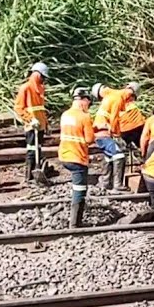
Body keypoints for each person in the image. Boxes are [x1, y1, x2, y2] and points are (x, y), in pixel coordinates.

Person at [91, 82, 145, 191]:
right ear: (132, 94)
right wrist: (116, 135)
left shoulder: (111, 96)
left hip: (101, 132)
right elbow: (114, 118)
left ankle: (105, 183)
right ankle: (118, 185)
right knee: (119, 156)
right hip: (104, 132)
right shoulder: (118, 97)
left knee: (109, 156)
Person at [58, 87, 96, 228]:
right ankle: (75, 223)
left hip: (64, 155)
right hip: (77, 158)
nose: (88, 105)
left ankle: (75, 221)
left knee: (76, 187)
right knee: (79, 190)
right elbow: (89, 139)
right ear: (83, 100)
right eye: (88, 102)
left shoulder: (65, 115)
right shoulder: (84, 117)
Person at [13, 62, 50, 185]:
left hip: (39, 126)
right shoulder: (26, 88)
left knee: (38, 149)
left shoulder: (40, 89)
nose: (44, 80)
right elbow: (19, 108)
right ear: (38, 74)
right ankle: (28, 177)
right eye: (43, 77)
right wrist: (30, 119)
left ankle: (36, 173)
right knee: (31, 150)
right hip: (32, 126)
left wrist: (46, 123)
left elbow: (41, 108)